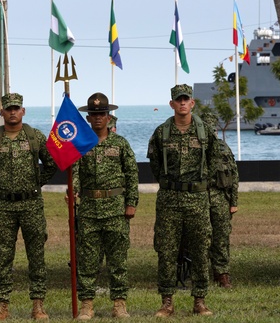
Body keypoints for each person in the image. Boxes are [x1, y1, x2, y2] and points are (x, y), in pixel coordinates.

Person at [0, 92, 58, 322]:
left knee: (36, 255)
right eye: (8, 108)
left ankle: (38, 304)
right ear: (1, 112)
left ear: (23, 111)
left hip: (31, 204)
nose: (12, 112)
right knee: (2, 257)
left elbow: (52, 163)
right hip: (2, 206)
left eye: (16, 108)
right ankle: (2, 305)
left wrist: (36, 183)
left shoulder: (35, 137)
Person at [148, 84, 217, 317]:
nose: (183, 103)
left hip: (197, 198)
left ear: (193, 103)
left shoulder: (205, 131)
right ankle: (167, 301)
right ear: (172, 104)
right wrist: (171, 185)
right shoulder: (161, 132)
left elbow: (215, 161)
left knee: (200, 249)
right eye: (178, 100)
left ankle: (200, 300)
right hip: (169, 199)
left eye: (186, 99)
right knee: (167, 250)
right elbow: (155, 165)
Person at [73, 92, 139, 320]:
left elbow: (132, 174)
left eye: (102, 114)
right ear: (88, 118)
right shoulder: (80, 143)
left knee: (117, 260)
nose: (98, 118)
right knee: (87, 260)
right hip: (89, 208)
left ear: (109, 117)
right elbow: (74, 172)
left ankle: (119, 304)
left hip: (115, 209)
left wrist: (131, 203)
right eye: (93, 114)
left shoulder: (120, 144)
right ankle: (86, 305)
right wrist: (72, 190)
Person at [202, 106, 238, 289]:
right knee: (200, 237)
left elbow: (234, 176)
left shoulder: (224, 148)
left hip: (220, 199)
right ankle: (199, 274)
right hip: (199, 198)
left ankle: (222, 273)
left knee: (221, 237)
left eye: (212, 128)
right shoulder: (195, 149)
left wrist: (234, 202)